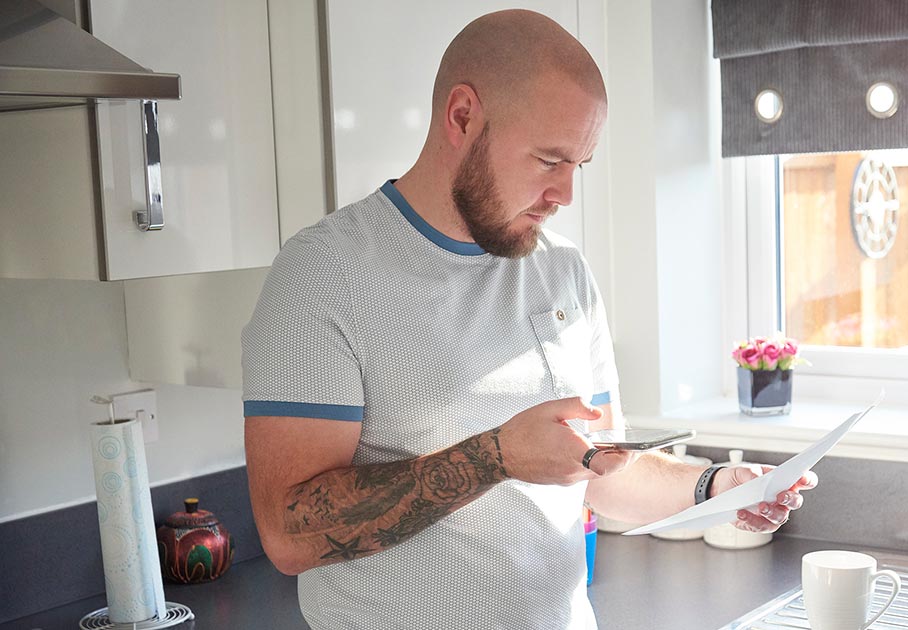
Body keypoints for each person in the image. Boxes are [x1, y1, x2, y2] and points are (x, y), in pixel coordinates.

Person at [242, 9, 816, 629]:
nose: (566, 194)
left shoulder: (562, 270)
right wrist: (494, 457)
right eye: (548, 160)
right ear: (462, 117)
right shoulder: (322, 274)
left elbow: (601, 473)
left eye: (579, 165)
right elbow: (287, 534)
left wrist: (714, 488)